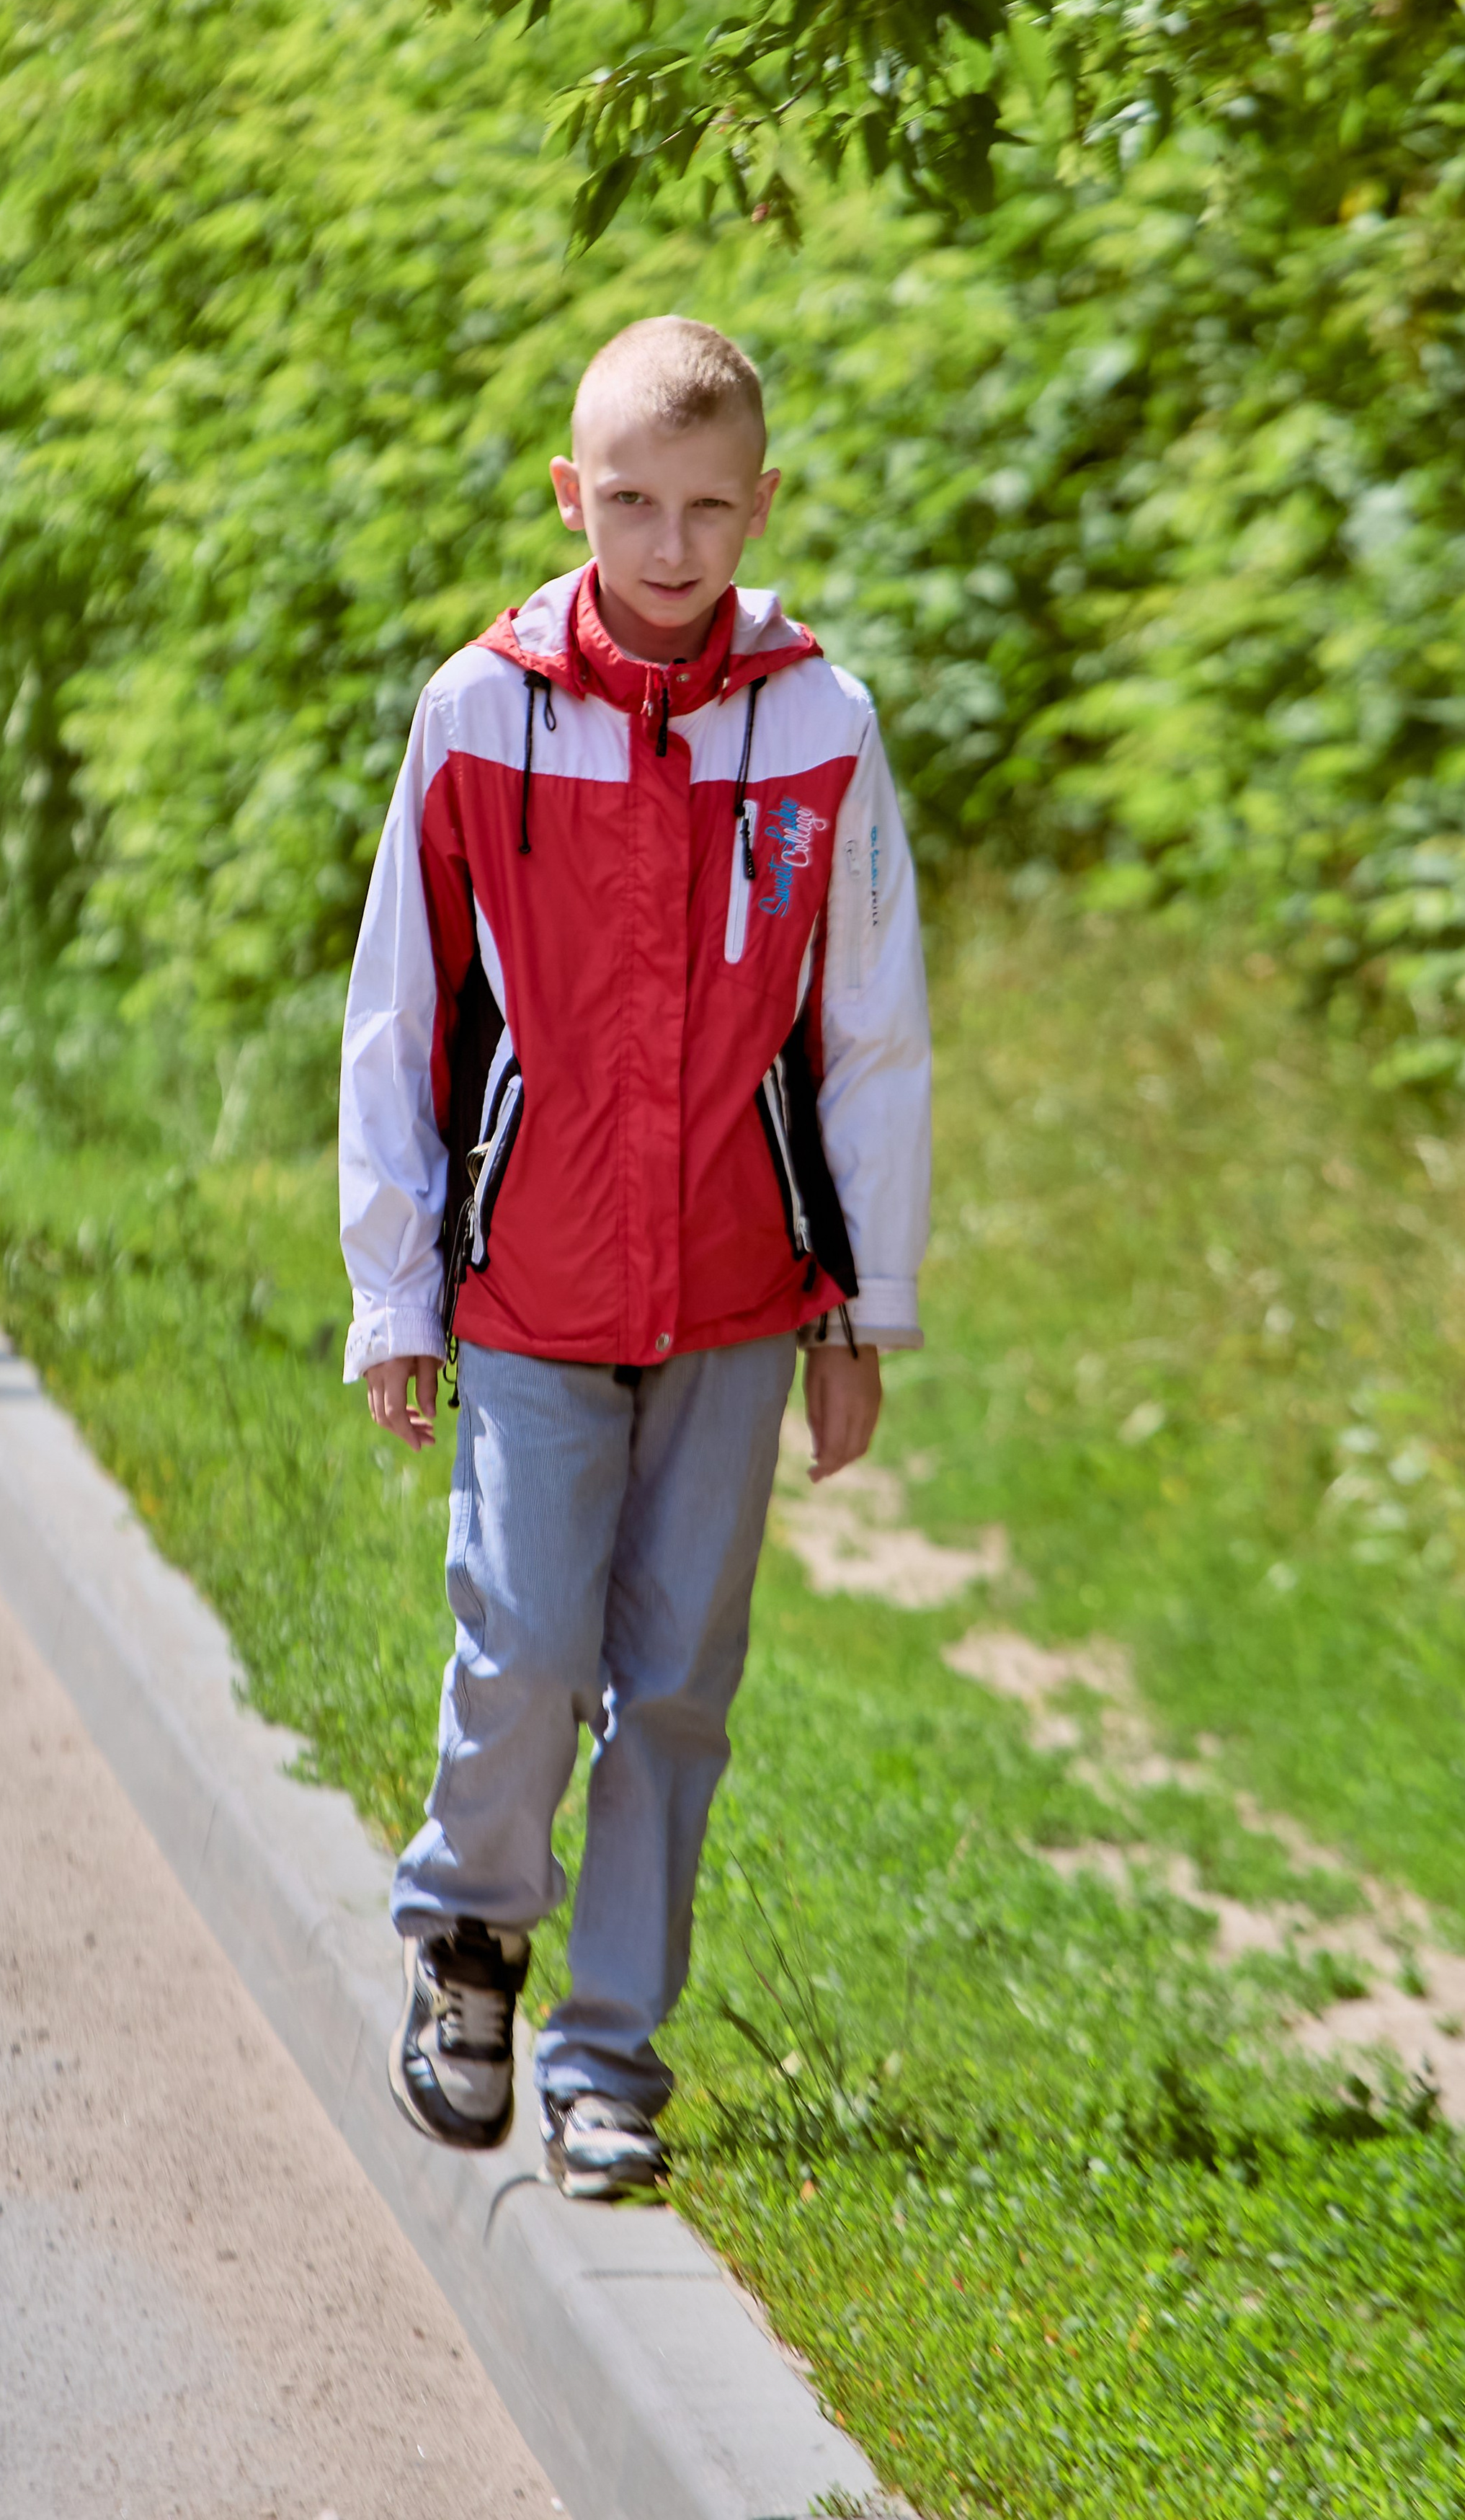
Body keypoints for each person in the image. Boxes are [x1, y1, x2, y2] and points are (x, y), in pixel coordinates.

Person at [339, 314, 931, 2199]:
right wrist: (394, 1290)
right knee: (520, 1634)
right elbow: (400, 1014)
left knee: (677, 1676)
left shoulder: (821, 729)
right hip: (530, 1283)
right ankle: (469, 1942)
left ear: (761, 501)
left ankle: (613, 2054)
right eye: (628, 503)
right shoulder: (478, 711)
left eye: (706, 507)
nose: (669, 545)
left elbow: (870, 1031)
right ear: (566, 494)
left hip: (742, 1293)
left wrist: (869, 1305)